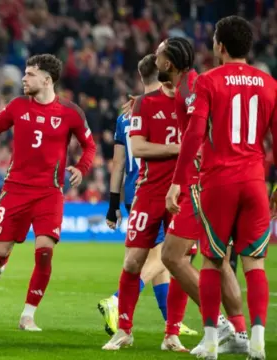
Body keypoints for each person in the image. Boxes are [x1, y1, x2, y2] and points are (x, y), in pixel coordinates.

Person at [0, 54, 97, 331]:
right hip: (15, 190)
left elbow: (90, 146)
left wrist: (82, 168)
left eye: (29, 74)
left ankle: (28, 315)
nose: (23, 79)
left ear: (46, 80)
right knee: (0, 251)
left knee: (44, 253)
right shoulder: (18, 106)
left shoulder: (71, 112)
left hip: (50, 193)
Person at [166, 15, 275, 360]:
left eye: (214, 40)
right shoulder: (270, 83)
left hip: (219, 182)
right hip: (255, 181)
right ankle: (257, 339)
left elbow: (194, 136)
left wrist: (178, 184)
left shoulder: (208, 82)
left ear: (221, 46)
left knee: (213, 262)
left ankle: (212, 339)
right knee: (254, 264)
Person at [154, 37, 248, 354]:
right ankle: (239, 334)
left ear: (169, 63)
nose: (154, 58)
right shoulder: (188, 86)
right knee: (217, 260)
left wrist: (180, 180)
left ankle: (219, 326)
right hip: (222, 177)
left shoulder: (191, 87)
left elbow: (199, 131)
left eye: (158, 54)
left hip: (199, 182)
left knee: (171, 256)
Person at [100, 55, 197, 339]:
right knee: (170, 257)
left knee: (158, 258)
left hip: (135, 189)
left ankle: (173, 324)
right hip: (160, 187)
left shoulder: (125, 114)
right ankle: (117, 300)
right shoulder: (178, 105)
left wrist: (113, 203)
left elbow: (117, 163)